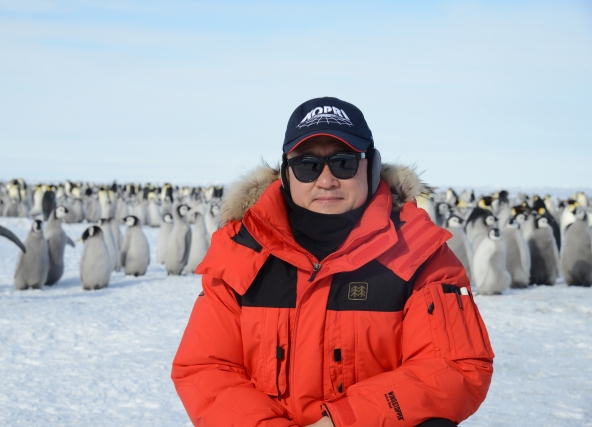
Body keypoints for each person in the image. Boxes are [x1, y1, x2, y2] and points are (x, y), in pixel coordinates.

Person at [172, 97, 494, 427]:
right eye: (307, 166)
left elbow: (457, 367)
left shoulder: (418, 253)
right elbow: (205, 367)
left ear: (370, 167)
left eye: (343, 164)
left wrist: (343, 420)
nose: (326, 181)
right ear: (286, 173)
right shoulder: (242, 252)